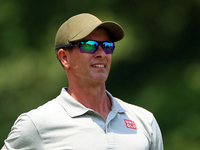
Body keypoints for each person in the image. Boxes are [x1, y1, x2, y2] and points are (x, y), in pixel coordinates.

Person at [2, 13, 164, 150]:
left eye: (107, 46)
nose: (101, 53)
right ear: (64, 57)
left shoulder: (144, 121)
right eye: (89, 45)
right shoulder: (37, 124)